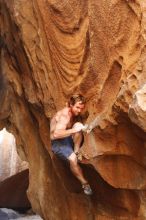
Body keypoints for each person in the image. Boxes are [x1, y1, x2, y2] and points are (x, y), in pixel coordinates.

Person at [50, 94, 92, 195]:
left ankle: (76, 151)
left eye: (81, 108)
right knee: (73, 159)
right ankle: (85, 183)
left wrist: (80, 128)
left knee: (78, 125)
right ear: (71, 105)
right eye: (77, 107)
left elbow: (75, 128)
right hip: (58, 143)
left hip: (66, 138)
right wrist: (74, 130)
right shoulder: (65, 115)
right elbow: (55, 135)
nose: (79, 111)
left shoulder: (73, 114)